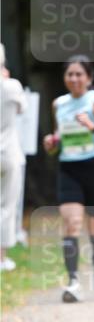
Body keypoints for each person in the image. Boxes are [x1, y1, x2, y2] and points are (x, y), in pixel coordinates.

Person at [43, 56, 94, 302]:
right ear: (64, 78)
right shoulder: (59, 104)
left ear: (89, 78)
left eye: (79, 74)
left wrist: (93, 127)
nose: (74, 79)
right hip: (69, 169)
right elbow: (60, 139)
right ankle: (73, 282)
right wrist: (52, 143)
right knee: (72, 224)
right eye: (70, 74)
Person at [0, 44, 26, 272]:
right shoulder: (11, 86)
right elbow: (21, 110)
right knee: (7, 205)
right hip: (8, 151)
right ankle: (1, 258)